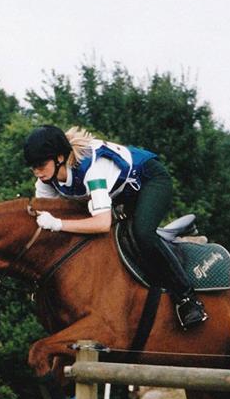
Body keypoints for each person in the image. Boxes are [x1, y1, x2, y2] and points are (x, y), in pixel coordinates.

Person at [23, 124, 207, 330]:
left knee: (142, 233)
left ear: (59, 158)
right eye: (32, 167)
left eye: (40, 164)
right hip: (121, 193)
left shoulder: (92, 168)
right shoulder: (46, 181)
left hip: (149, 180)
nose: (36, 172)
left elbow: (101, 224)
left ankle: (187, 298)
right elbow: (44, 222)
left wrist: (58, 223)